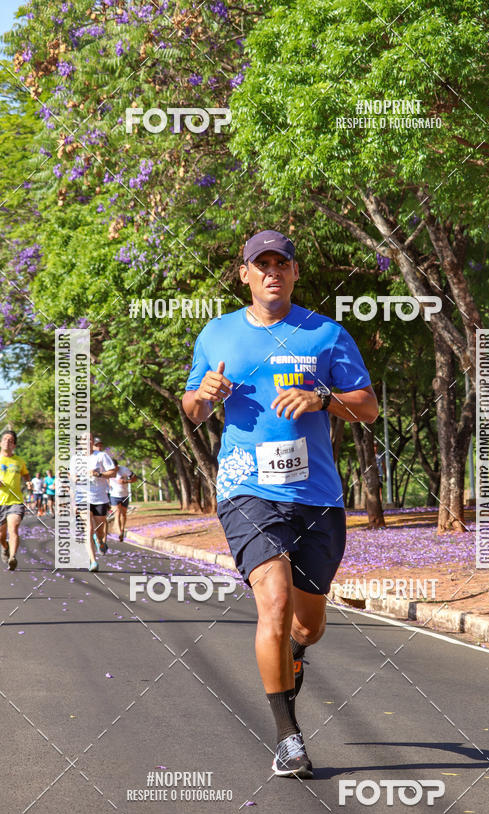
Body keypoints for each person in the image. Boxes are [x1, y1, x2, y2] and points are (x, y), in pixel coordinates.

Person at [182, 230, 378, 778]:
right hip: (247, 490)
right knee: (273, 603)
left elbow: (368, 407)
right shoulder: (217, 334)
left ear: (294, 272)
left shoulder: (325, 334)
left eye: (281, 263)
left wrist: (322, 398)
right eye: (260, 263)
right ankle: (288, 737)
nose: (271, 271)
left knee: (307, 625)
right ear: (243, 273)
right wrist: (203, 396)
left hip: (316, 496)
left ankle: (293, 656)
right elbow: (191, 408)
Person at [0, 429, 30, 570]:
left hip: (15, 501)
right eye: (5, 439)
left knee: (13, 528)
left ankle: (12, 557)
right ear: (1, 442)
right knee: (0, 534)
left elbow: (26, 475)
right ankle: (5, 546)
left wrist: (28, 482)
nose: (7, 442)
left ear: (14, 445)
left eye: (10, 440)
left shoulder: (19, 461)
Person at [71, 434, 116, 572]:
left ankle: (100, 541)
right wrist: (76, 479)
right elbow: (72, 478)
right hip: (83, 498)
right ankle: (92, 561)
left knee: (100, 530)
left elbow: (113, 472)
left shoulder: (101, 456)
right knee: (88, 529)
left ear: (92, 442)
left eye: (89, 439)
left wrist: (99, 474)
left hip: (100, 498)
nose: (87, 442)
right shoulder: (75, 459)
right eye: (84, 439)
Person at [108, 459, 137, 541]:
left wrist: (125, 481)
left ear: (117, 466)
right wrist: (108, 485)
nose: (113, 470)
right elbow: (105, 478)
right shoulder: (108, 470)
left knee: (123, 514)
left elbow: (135, 478)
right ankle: (119, 532)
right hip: (114, 495)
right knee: (117, 513)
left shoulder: (124, 470)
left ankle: (122, 529)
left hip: (124, 495)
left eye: (115, 468)